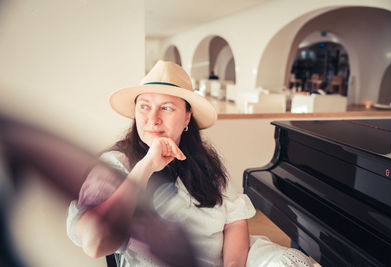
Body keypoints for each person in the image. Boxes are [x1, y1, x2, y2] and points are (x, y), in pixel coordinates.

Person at [66, 60, 313, 267]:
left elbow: (234, 225)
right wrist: (146, 167)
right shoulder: (114, 165)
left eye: (166, 107)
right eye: (144, 107)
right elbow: (95, 243)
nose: (152, 119)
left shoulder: (206, 164)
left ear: (186, 118)